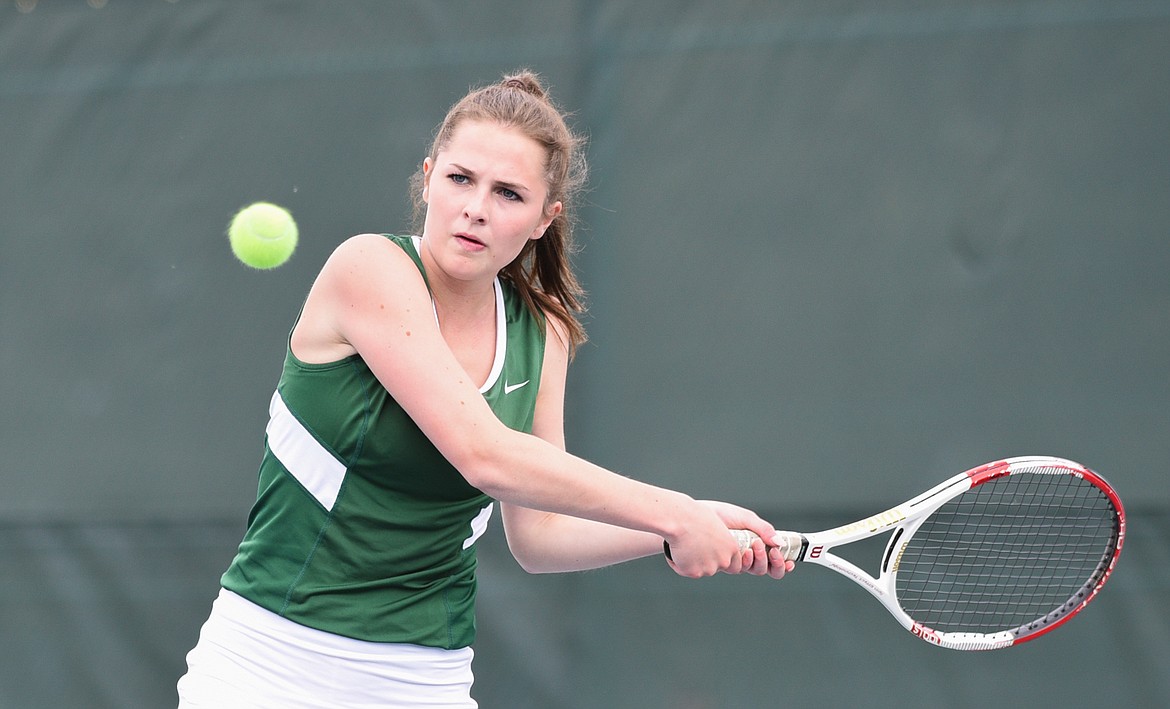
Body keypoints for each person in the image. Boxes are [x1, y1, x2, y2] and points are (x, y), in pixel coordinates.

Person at [177, 69, 794, 708]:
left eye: (508, 193)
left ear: (542, 220)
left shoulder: (543, 329)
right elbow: (485, 455)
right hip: (267, 666)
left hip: (424, 678)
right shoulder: (368, 268)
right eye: (460, 179)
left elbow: (540, 536)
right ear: (427, 176)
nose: (475, 207)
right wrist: (675, 511)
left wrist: (675, 532)